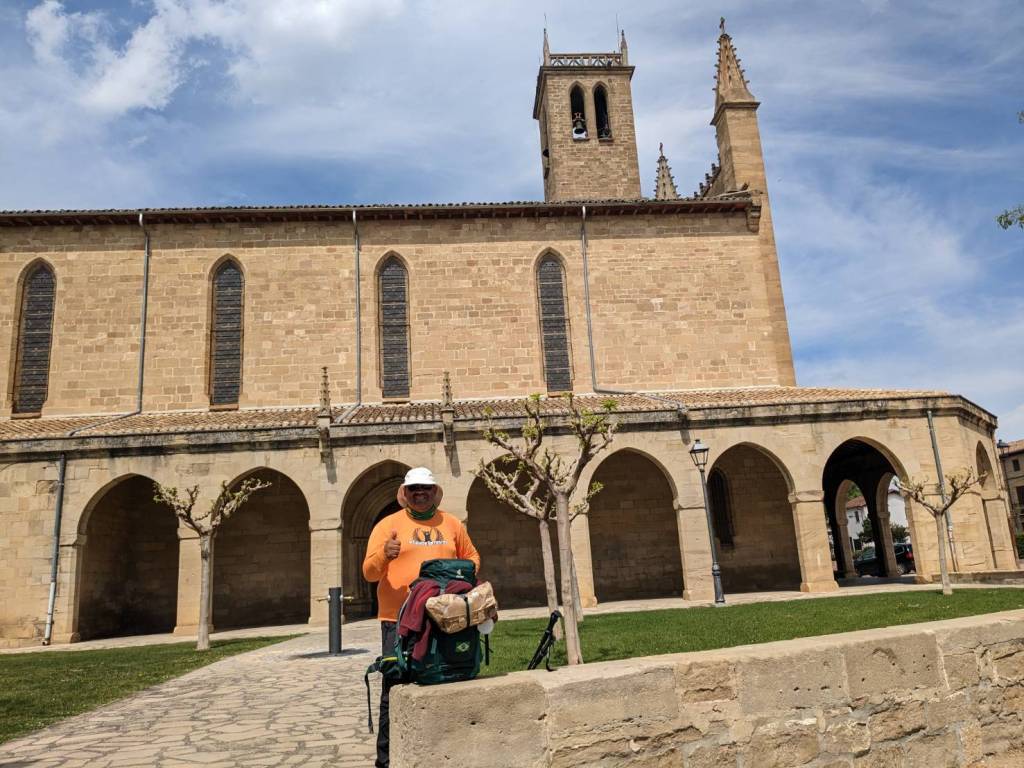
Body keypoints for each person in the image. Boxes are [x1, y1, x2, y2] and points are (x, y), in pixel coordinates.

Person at [362, 466, 480, 768]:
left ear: (434, 492)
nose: (420, 493)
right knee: (395, 686)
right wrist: (385, 554)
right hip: (397, 621)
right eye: (414, 488)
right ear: (405, 493)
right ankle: (387, 760)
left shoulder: (451, 524)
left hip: (445, 618)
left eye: (425, 488)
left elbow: (472, 558)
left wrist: (461, 579)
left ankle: (442, 755)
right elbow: (369, 573)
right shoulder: (387, 525)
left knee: (445, 678)